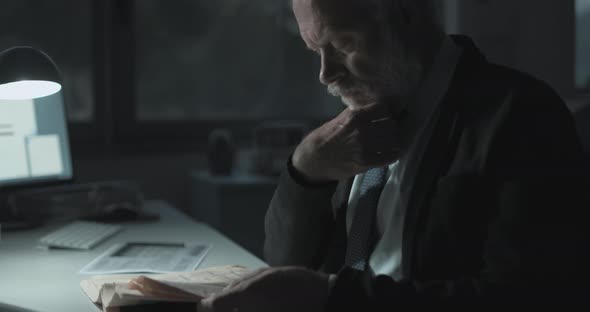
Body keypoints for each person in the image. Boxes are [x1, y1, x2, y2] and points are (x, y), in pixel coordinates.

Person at [199, 0, 590, 310]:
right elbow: (285, 260)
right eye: (315, 50)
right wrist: (305, 170)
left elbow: (532, 298)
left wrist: (333, 298)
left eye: (344, 44)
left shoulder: (521, 116)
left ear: (406, 13)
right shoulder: (363, 113)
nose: (325, 74)